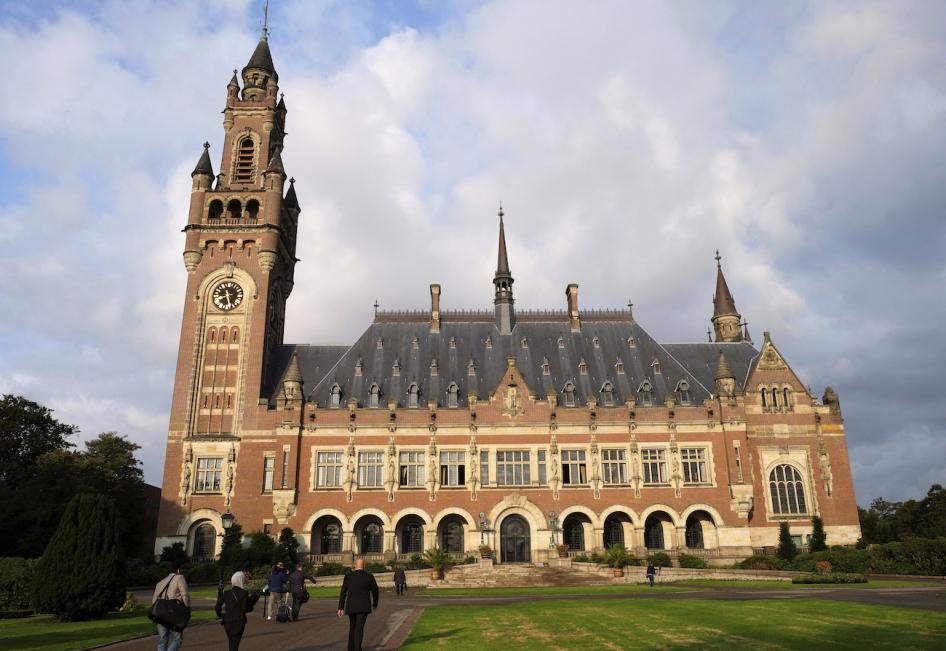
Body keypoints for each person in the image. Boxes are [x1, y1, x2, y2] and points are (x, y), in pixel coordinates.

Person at [337, 558, 380, 651]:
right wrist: (375, 603)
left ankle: (351, 647)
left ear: (355, 565)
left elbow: (343, 592)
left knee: (352, 627)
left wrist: (340, 607)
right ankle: (357, 648)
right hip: (364, 606)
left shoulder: (348, 576)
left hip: (351, 606)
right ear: (364, 566)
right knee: (359, 628)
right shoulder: (369, 576)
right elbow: (375, 591)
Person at [215, 566, 261, 651]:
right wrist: (254, 598)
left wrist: (222, 615)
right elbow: (247, 608)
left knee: (231, 642)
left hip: (227, 621)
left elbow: (217, 606)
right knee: (234, 645)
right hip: (239, 621)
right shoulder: (243, 593)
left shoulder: (227, 593)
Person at [151, 565, 190, 651]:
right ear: (178, 570)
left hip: (160, 614)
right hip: (173, 612)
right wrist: (187, 608)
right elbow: (185, 594)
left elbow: (153, 601)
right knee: (178, 639)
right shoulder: (179, 577)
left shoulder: (160, 582)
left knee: (162, 640)